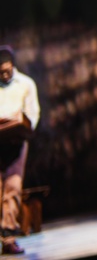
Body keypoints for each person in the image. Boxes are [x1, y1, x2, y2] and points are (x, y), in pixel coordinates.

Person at [0, 46, 39, 256]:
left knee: (13, 188)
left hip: (16, 143)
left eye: (7, 71)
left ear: (13, 66)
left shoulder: (26, 84)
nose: (4, 75)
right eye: (0, 72)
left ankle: (8, 238)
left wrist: (23, 126)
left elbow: (33, 114)